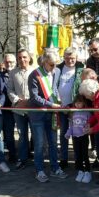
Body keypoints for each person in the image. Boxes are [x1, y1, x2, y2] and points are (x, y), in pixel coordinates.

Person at [29, 52, 67, 182]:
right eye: (51, 64)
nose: (54, 67)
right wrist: (51, 104)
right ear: (44, 62)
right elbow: (34, 97)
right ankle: (39, 170)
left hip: (51, 113)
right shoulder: (34, 75)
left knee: (53, 143)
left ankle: (55, 168)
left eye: (56, 64)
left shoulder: (56, 71)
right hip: (38, 114)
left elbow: (54, 89)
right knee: (39, 144)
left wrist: (58, 100)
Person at [56, 48, 85, 170]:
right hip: (61, 107)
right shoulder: (57, 69)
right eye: (67, 58)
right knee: (63, 134)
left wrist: (76, 104)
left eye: (72, 58)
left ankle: (79, 159)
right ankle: (64, 158)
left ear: (76, 57)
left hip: (75, 107)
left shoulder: (81, 69)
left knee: (78, 133)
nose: (70, 60)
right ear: (64, 58)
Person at [7, 49, 34, 169]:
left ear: (29, 58)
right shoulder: (13, 73)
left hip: (33, 108)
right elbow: (10, 89)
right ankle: (22, 158)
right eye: (19, 58)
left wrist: (29, 101)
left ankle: (37, 158)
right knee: (22, 134)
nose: (22, 60)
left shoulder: (35, 71)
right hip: (18, 108)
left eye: (24, 57)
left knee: (36, 134)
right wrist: (17, 100)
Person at [66, 94, 93, 183]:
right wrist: (68, 134)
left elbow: (90, 123)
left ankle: (88, 171)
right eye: (76, 103)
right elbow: (71, 126)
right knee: (77, 155)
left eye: (80, 103)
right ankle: (80, 171)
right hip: (75, 138)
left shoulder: (87, 113)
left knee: (85, 154)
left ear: (83, 103)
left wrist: (88, 130)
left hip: (84, 136)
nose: (78, 105)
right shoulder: (73, 112)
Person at [0, 54, 17, 164]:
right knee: (9, 134)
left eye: (11, 62)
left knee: (23, 133)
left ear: (15, 62)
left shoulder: (18, 73)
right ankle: (12, 154)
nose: (9, 64)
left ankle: (27, 152)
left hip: (21, 107)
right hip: (6, 109)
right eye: (7, 62)